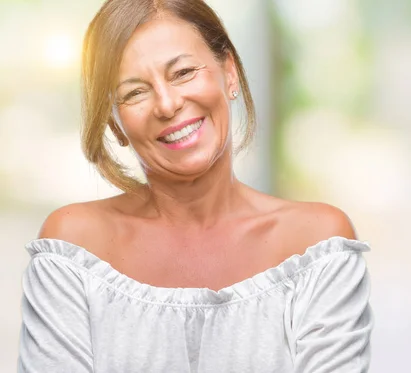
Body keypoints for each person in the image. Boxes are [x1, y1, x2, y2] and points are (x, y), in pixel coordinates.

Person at [17, 0, 373, 371]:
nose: (168, 104)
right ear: (114, 123)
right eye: (135, 92)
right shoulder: (73, 249)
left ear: (229, 73)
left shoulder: (317, 247)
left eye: (184, 72)